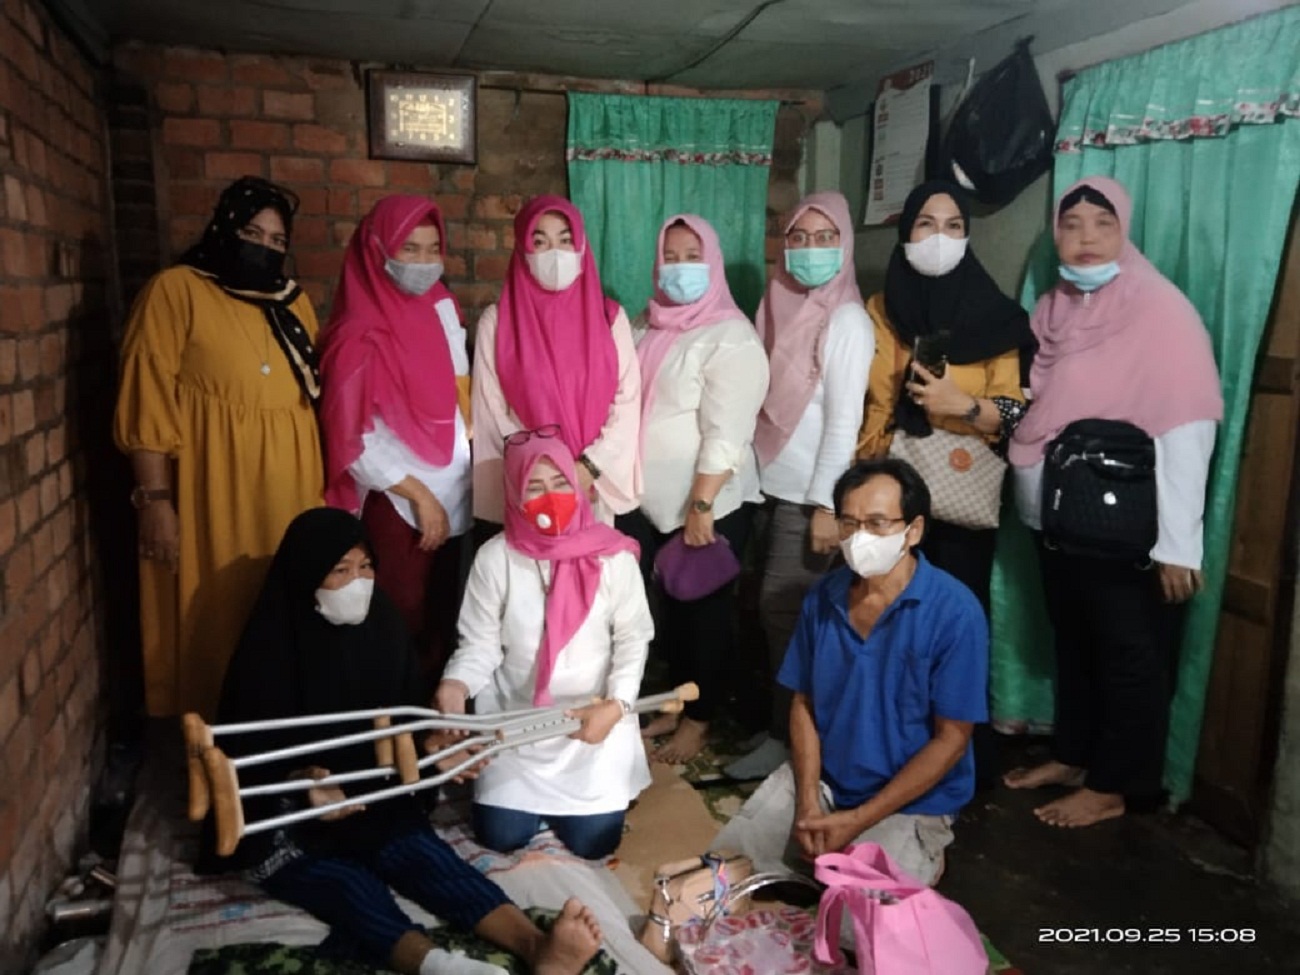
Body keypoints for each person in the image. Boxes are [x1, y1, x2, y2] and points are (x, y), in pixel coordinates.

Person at [209, 507, 604, 975]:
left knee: (427, 857)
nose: (358, 582)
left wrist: (435, 749)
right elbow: (245, 761)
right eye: (340, 570)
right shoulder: (270, 648)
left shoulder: (382, 625)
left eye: (366, 566)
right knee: (346, 887)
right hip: (292, 819)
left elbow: (404, 726)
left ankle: (538, 947)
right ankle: (438, 966)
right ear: (305, 575)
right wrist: (301, 787)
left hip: (372, 799)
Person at [1004, 177, 1223, 828]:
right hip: (1062, 515)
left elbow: (1187, 423)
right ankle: (1075, 752)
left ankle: (1117, 784)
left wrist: (1178, 543)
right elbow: (1041, 403)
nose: (1087, 236)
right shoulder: (1054, 309)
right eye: (1072, 224)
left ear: (1124, 230)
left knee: (1129, 654)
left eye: (1103, 222)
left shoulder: (1159, 311)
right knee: (1075, 641)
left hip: (1127, 524)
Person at [712, 459, 988, 886]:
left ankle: (915, 852)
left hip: (908, 802)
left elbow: (952, 739)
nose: (860, 538)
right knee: (716, 881)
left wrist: (858, 819)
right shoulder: (825, 595)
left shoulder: (955, 612)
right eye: (849, 524)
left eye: (877, 524)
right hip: (828, 783)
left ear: (913, 530)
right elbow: (802, 703)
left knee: (855, 931)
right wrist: (807, 801)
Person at [114, 176, 324, 719]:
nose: (265, 248)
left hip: (289, 489)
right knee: (212, 612)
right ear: (225, 229)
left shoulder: (292, 304)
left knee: (281, 609)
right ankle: (208, 751)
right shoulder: (176, 290)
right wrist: (155, 500)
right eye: (253, 233)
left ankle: (279, 746)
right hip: (212, 489)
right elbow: (148, 400)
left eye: (278, 242)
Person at [855, 180, 1036, 787]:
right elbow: (872, 403)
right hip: (886, 491)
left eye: (954, 226)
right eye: (926, 225)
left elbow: (1017, 408)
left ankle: (953, 762)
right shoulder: (883, 308)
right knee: (882, 618)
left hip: (957, 499)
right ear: (905, 235)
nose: (940, 238)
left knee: (952, 626)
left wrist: (963, 403)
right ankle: (884, 748)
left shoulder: (997, 315)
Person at [436, 434, 652, 859]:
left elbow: (633, 637)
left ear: (578, 485)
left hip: (592, 723)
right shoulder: (495, 557)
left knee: (594, 844)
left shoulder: (613, 556)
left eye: (560, 482)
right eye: (534, 487)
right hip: (516, 725)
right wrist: (455, 685)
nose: (550, 496)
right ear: (514, 492)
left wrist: (618, 704)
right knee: (500, 837)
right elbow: (479, 643)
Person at [727, 191, 874, 782]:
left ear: (844, 245)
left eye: (824, 238)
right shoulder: (779, 304)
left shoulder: (846, 319)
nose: (810, 251)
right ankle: (775, 727)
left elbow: (844, 420)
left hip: (809, 495)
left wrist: (825, 504)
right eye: (799, 238)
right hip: (768, 486)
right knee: (766, 615)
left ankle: (789, 745)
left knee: (788, 619)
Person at [617, 214, 770, 764]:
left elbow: (726, 432)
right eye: (671, 257)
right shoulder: (646, 323)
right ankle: (678, 705)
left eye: (692, 256)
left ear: (714, 263)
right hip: (649, 503)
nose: (680, 268)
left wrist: (701, 505)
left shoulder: (730, 335)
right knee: (670, 616)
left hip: (706, 504)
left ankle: (701, 720)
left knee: (704, 617)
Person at [320, 195, 471, 680]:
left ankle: (434, 720)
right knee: (397, 612)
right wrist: (420, 495)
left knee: (445, 614)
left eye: (433, 249)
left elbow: (459, 393)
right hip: (398, 501)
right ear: (377, 250)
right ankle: (391, 721)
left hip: (456, 488)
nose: (424, 263)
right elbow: (351, 437)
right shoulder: (356, 334)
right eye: (410, 249)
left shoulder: (442, 309)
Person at [471, 196, 640, 528]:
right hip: (533, 488)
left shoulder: (609, 317)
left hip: (597, 485)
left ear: (581, 246)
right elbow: (492, 412)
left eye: (565, 240)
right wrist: (550, 476)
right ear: (522, 251)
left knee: (601, 575)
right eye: (540, 241)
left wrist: (587, 468)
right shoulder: (499, 322)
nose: (555, 252)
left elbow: (628, 400)